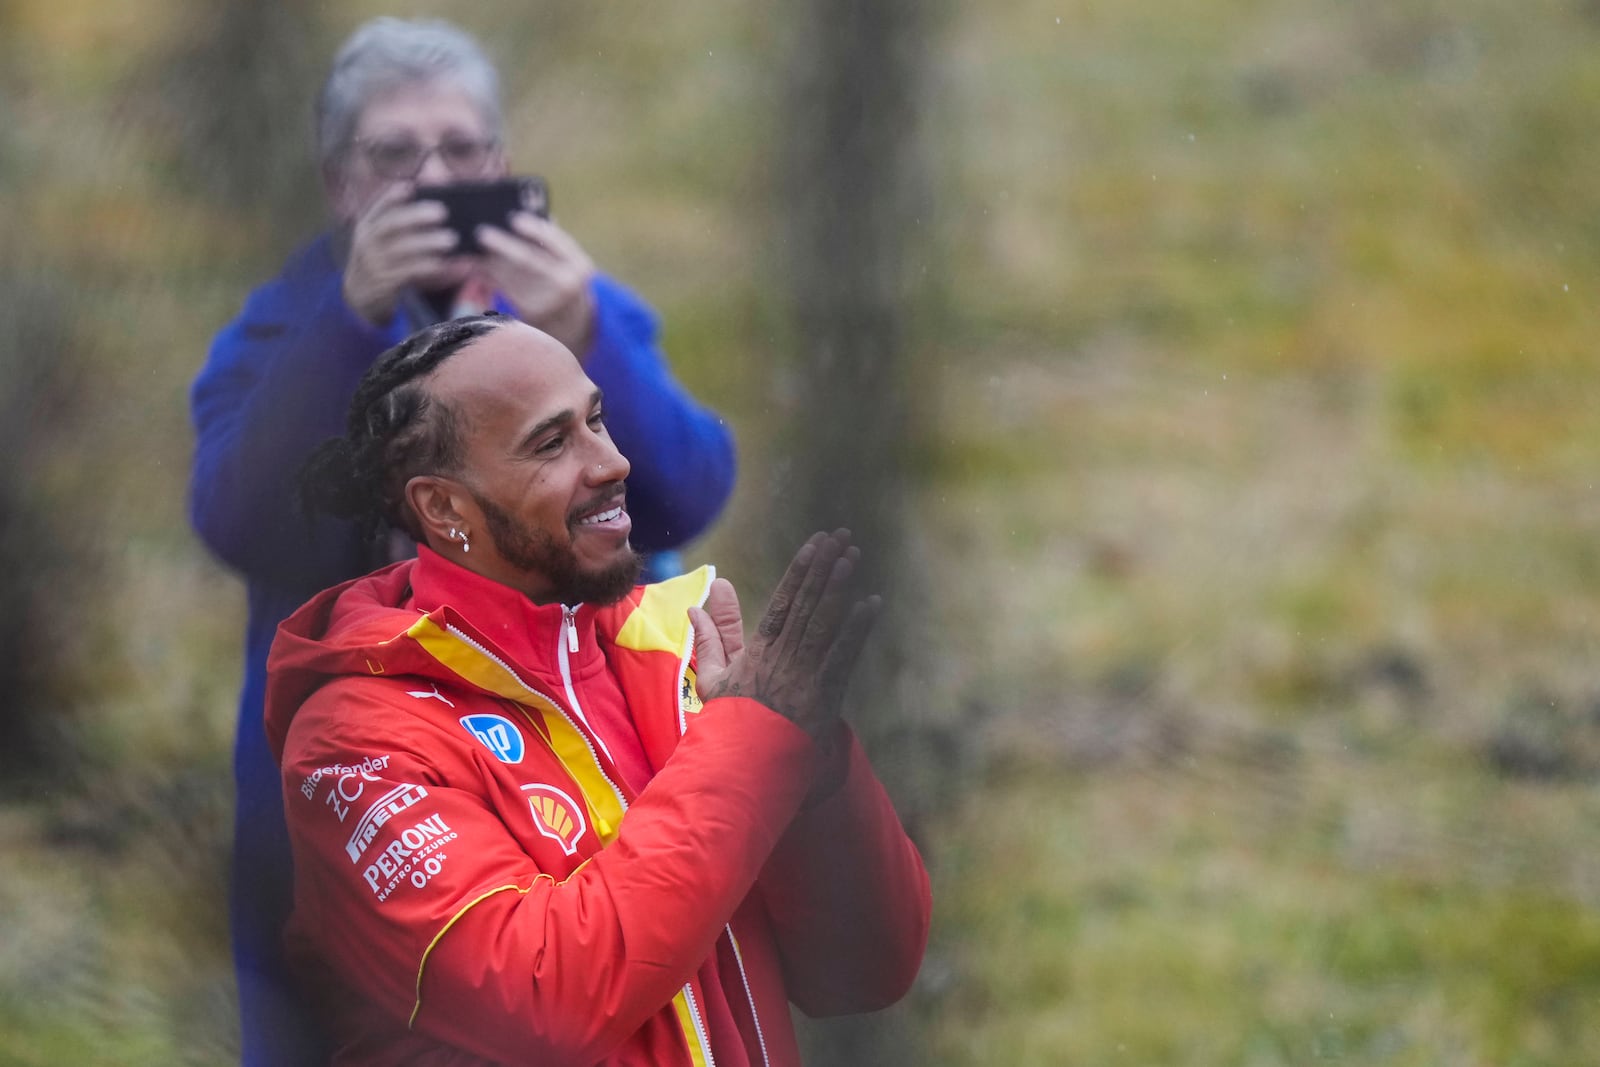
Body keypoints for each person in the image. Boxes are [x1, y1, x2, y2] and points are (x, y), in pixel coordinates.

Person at [186, 18, 736, 1063]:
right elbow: (240, 517)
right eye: (394, 156)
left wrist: (584, 334)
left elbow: (686, 492)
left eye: (463, 152)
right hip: (349, 782)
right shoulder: (283, 327)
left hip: (577, 758)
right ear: (337, 181)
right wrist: (350, 321)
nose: (434, 179)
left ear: (506, 163)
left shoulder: (572, 310)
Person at [263, 314, 929, 1065]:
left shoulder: (674, 645)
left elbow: (866, 970)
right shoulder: (355, 739)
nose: (612, 462)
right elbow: (547, 998)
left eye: (597, 419)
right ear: (445, 508)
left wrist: (808, 766)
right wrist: (746, 741)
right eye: (552, 443)